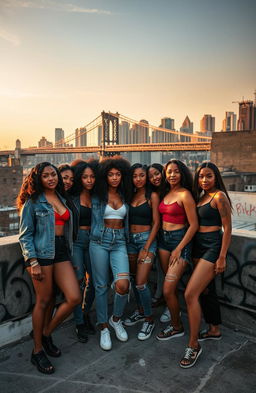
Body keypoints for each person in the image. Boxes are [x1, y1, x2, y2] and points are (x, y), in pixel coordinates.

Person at [17, 162, 81, 374]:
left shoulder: (63, 198)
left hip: (61, 252)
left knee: (73, 297)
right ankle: (37, 351)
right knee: (44, 301)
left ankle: (45, 333)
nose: (52, 178)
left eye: (54, 174)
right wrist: (32, 261)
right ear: (39, 179)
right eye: (46, 176)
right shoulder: (33, 203)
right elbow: (25, 236)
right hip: (42, 255)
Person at [180, 162, 231, 369]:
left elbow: (227, 229)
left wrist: (222, 257)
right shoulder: (200, 197)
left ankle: (193, 345)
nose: (204, 180)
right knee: (206, 291)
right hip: (197, 248)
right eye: (201, 177)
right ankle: (214, 329)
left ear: (215, 177)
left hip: (212, 247)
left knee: (190, 294)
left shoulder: (219, 196)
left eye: (208, 176)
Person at [89, 156, 130, 351]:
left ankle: (116, 319)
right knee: (101, 286)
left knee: (123, 284)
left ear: (122, 176)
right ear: (104, 176)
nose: (114, 178)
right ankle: (103, 326)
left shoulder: (125, 194)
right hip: (99, 241)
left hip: (120, 241)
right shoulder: (97, 195)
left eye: (118, 174)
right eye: (110, 174)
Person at [156, 160, 198, 342]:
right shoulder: (166, 193)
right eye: (169, 172)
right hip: (163, 241)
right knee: (169, 287)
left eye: (176, 172)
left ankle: (177, 326)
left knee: (167, 289)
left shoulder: (185, 194)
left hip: (179, 241)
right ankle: (176, 323)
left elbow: (194, 224)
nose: (172, 175)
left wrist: (179, 248)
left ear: (182, 174)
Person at [124, 164, 160, 340]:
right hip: (130, 241)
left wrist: (146, 246)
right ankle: (139, 311)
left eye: (142, 175)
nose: (138, 179)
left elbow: (156, 223)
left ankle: (149, 318)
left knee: (140, 282)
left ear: (147, 177)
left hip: (146, 241)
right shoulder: (129, 195)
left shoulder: (152, 195)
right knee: (132, 277)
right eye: (135, 176)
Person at [71, 161, 97, 342]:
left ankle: (85, 312)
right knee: (79, 280)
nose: (89, 180)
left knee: (95, 280)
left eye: (92, 176)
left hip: (94, 240)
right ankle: (79, 323)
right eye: (85, 177)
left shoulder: (97, 196)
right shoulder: (71, 196)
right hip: (77, 242)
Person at [147, 163, 168, 320]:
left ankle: (170, 305)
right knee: (161, 268)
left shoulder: (172, 190)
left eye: (157, 173)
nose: (155, 178)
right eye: (151, 176)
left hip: (175, 236)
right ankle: (159, 294)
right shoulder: (153, 194)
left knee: (170, 272)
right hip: (159, 234)